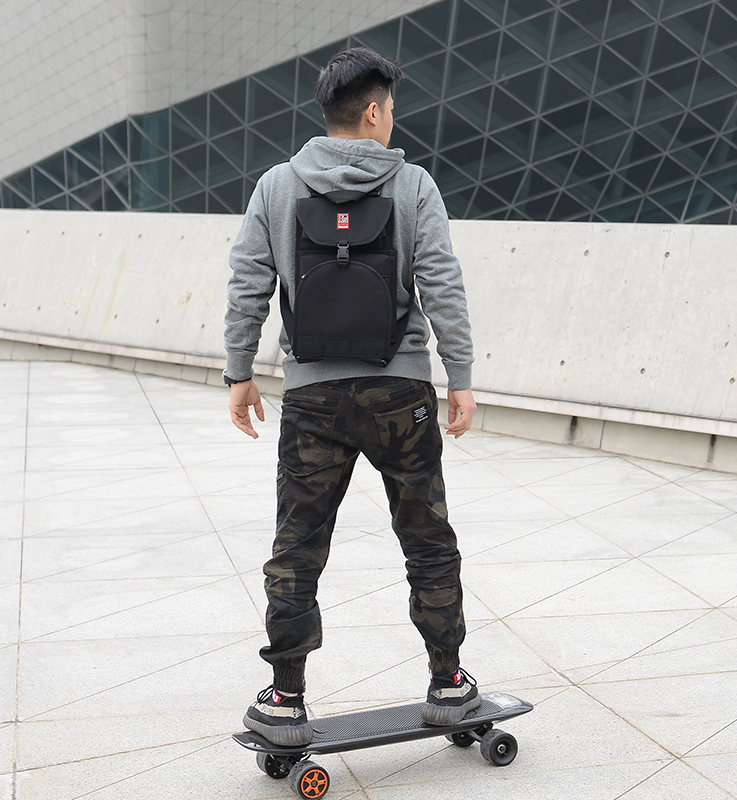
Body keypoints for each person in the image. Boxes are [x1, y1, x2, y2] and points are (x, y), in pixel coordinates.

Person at [224, 46, 479, 747]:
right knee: (427, 539)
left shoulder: (277, 186)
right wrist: (458, 377)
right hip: (401, 393)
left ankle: (286, 698)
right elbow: (442, 285)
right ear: (371, 112)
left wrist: (240, 371)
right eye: (389, 109)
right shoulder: (414, 186)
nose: (392, 120)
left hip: (313, 397)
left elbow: (247, 282)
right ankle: (448, 682)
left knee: (297, 546)